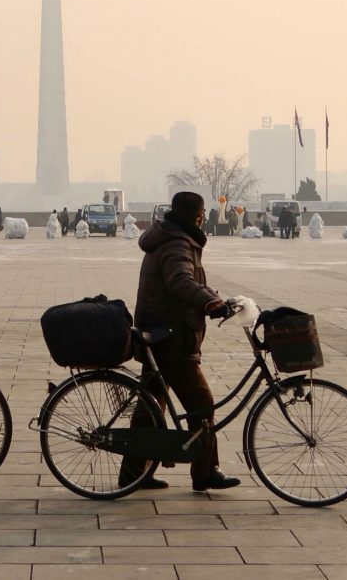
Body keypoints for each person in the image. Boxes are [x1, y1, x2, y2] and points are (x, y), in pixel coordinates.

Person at [119, 191, 240, 492]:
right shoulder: (177, 242)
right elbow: (180, 281)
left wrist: (212, 296)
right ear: (198, 216)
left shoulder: (170, 237)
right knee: (201, 404)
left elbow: (190, 280)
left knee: (149, 408)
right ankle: (206, 471)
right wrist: (209, 305)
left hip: (160, 333)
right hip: (172, 337)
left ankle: (133, 475)